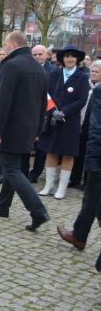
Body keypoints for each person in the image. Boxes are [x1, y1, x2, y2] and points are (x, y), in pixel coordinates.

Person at [0, 31, 50, 231]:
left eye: (5, 45)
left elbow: (4, 100)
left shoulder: (12, 65)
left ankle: (38, 211)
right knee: (13, 167)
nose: (4, 49)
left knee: (11, 169)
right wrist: (38, 129)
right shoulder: (39, 69)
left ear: (12, 45)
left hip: (11, 127)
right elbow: (42, 103)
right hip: (29, 128)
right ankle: (2, 206)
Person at [57, 61, 101, 252]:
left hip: (98, 156)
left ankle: (79, 236)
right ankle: (79, 235)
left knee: (92, 197)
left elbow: (97, 127)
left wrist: (92, 157)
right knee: (93, 199)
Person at [37, 45, 90, 200]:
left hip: (70, 121)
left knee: (68, 153)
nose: (69, 59)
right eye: (66, 56)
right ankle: (49, 185)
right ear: (62, 58)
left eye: (73, 56)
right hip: (52, 119)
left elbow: (82, 100)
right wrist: (52, 111)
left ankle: (62, 187)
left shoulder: (81, 77)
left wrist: (64, 112)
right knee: (51, 151)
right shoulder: (54, 74)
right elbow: (45, 95)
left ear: (77, 59)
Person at [70, 60, 101, 188]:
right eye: (92, 71)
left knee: (91, 154)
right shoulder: (85, 85)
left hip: (94, 126)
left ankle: (88, 180)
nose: (93, 74)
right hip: (81, 122)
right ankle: (75, 178)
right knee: (78, 152)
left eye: (96, 72)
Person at [27, 45, 55, 183]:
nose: (38, 57)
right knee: (26, 141)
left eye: (40, 54)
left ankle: (35, 172)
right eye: (35, 54)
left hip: (46, 111)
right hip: (29, 110)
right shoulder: (26, 68)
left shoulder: (53, 71)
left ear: (46, 55)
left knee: (41, 145)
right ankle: (23, 169)